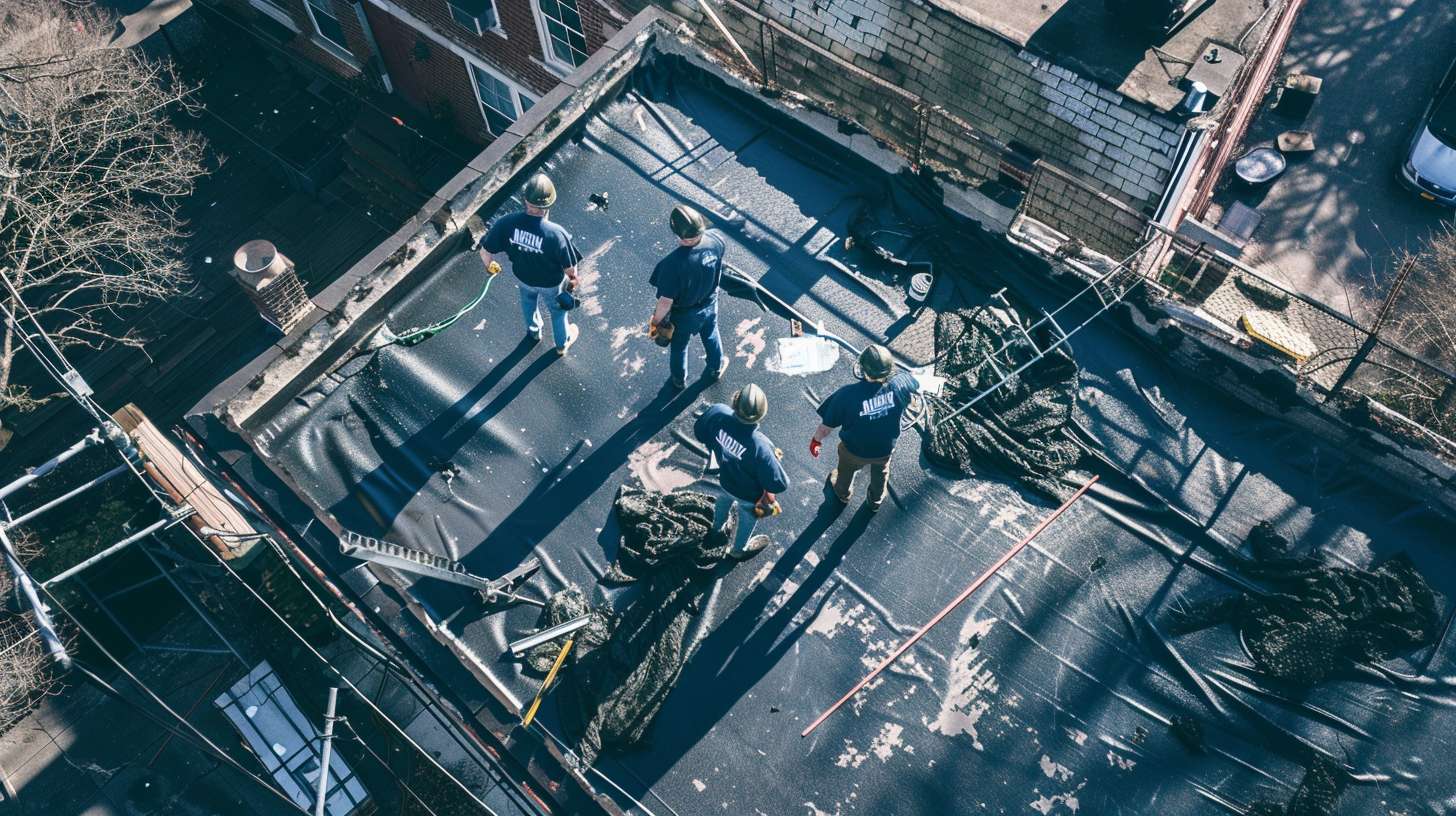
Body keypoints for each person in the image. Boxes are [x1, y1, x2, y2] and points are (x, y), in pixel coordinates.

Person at [477, 173, 584, 356]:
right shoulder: (557, 234)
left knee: (528, 304)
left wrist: (490, 267)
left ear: (525, 200)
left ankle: (534, 332)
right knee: (558, 313)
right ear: (550, 204)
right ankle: (561, 344)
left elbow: (485, 251)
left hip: (523, 278)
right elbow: (570, 270)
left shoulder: (506, 223)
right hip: (551, 284)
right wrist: (573, 282)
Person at [810, 344, 920, 512]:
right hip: (883, 450)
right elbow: (916, 382)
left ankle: (842, 493)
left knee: (845, 472)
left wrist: (816, 441)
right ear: (889, 370)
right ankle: (876, 499)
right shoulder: (899, 386)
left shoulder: (846, 395)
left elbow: (826, 427)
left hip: (853, 450)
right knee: (881, 473)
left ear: (862, 368)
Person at [693, 384, 788, 559]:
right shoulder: (761, 447)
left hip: (726, 482)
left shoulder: (718, 414)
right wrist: (773, 461)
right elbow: (779, 483)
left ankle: (716, 529)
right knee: (748, 518)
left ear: (734, 404)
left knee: (722, 502)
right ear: (762, 413)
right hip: (749, 496)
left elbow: (700, 432)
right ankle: (738, 549)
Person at [649, 204, 728, 390]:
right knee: (711, 335)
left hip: (684, 316)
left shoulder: (671, 265)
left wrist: (656, 322)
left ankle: (678, 379)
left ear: (677, 234)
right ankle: (715, 368)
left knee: (679, 346)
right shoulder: (716, 240)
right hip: (710, 303)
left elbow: (665, 302)